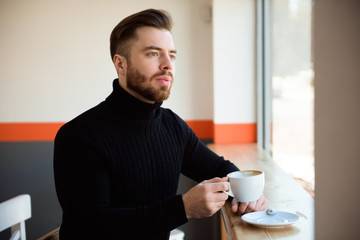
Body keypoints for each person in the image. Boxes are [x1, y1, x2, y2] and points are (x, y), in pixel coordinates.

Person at [54, 9, 267, 240]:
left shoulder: (172, 125)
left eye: (172, 55)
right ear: (120, 63)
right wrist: (182, 208)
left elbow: (220, 169)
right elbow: (92, 225)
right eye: (153, 54)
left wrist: (248, 193)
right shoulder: (79, 136)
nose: (168, 65)